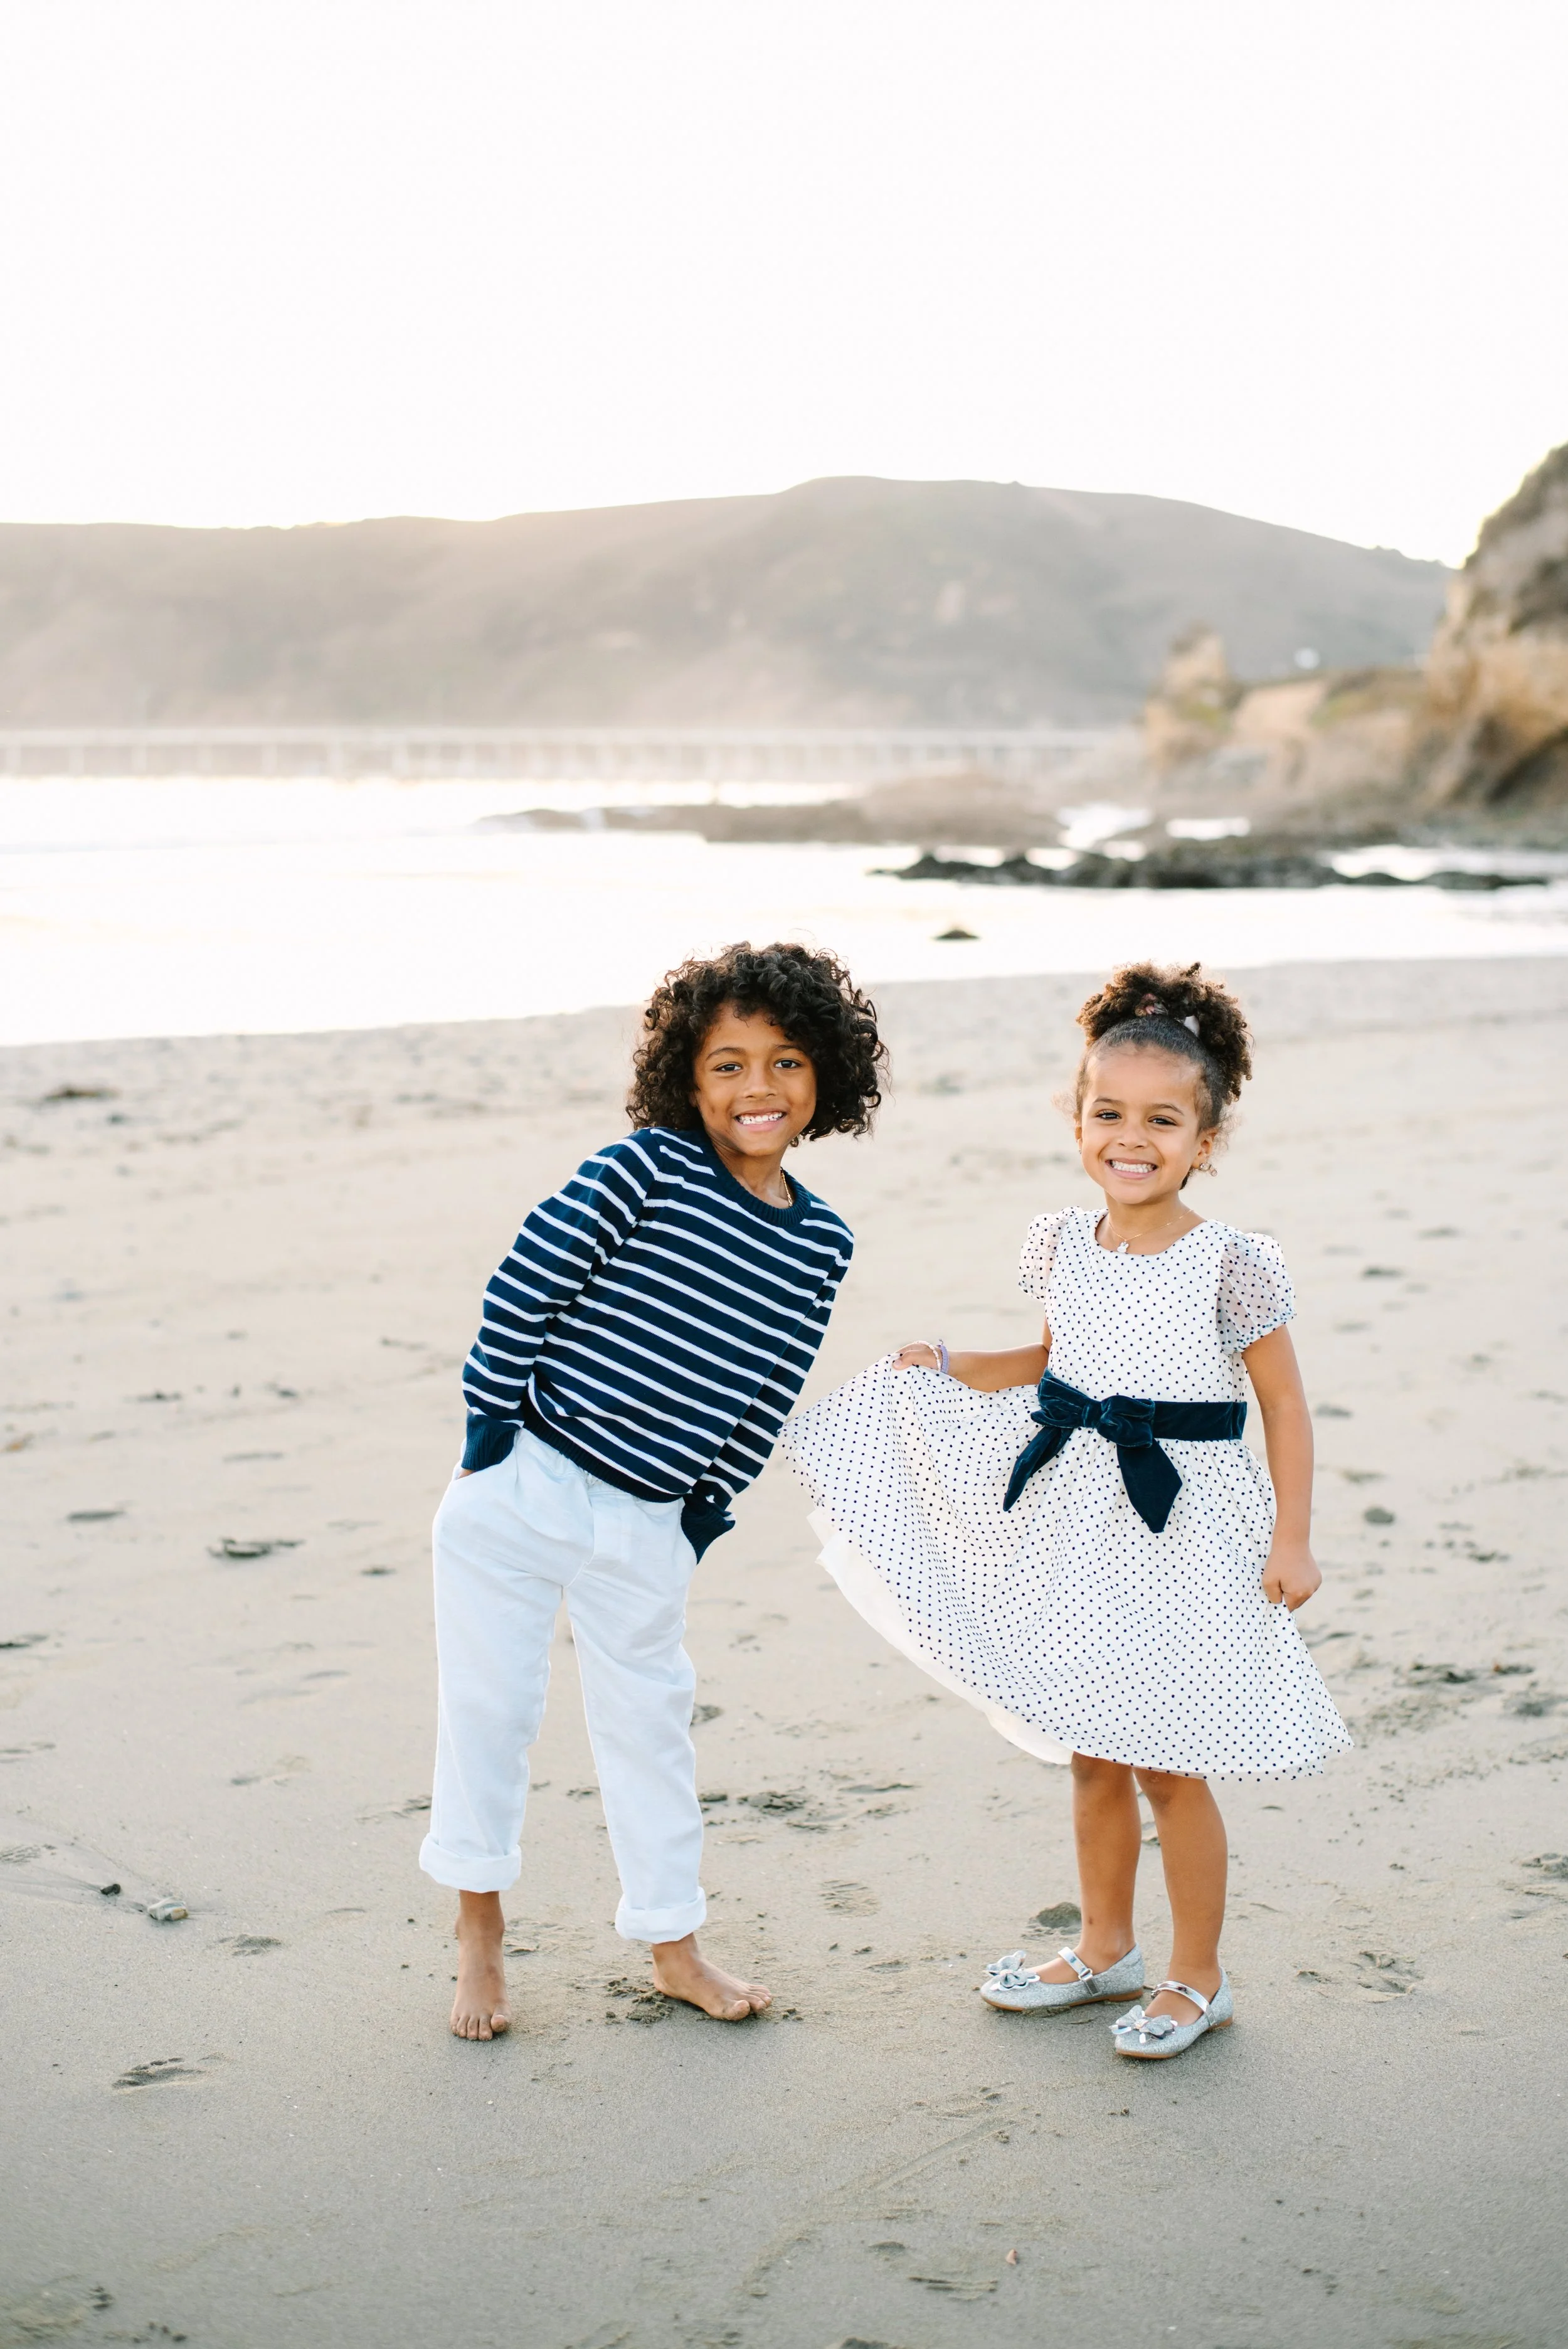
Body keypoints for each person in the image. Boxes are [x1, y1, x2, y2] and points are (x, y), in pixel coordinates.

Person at [781, 961, 1350, 2062]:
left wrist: (1292, 1536)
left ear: (1206, 1135)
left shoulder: (1232, 1265)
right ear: (1074, 1116)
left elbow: (1282, 1405)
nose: (1130, 1139)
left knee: (1172, 1763)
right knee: (1091, 1747)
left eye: (1162, 1121)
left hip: (1185, 1531)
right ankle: (1103, 1945)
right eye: (1107, 1114)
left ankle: (1197, 1975)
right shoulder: (1059, 1244)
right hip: (1075, 1518)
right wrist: (951, 1366)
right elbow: (1054, 1361)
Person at [421, 942, 884, 2039]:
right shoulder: (641, 1171)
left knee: (651, 1729)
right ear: (686, 1077)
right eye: (726, 1066)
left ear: (827, 1078)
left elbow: (771, 1384)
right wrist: (491, 1439)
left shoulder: (821, 1240)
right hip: (524, 1481)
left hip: (651, 1521)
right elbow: (523, 1289)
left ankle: (672, 1943)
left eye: (784, 1064)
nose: (756, 1090)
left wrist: (700, 1517)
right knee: (490, 1712)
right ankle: (479, 1930)